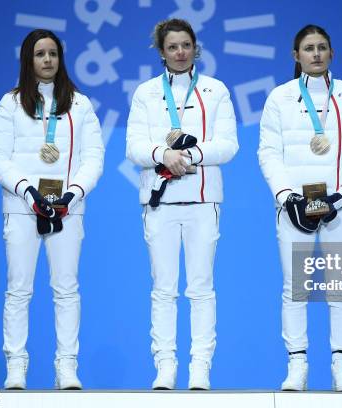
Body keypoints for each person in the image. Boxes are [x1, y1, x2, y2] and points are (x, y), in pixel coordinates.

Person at [258, 24, 342, 391]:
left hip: (340, 207)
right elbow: (268, 153)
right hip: (296, 209)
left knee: (340, 287)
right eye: (308, 48)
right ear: (296, 56)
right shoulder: (279, 97)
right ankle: (297, 366)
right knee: (296, 289)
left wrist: (341, 196)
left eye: (322, 47)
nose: (316, 54)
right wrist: (287, 197)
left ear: (332, 53)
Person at [0, 29, 104, 390]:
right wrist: (27, 191)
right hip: (22, 209)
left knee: (66, 289)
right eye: (40, 54)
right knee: (18, 289)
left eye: (53, 53)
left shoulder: (80, 105)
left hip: (67, 210)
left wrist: (72, 194)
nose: (48, 60)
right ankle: (16, 366)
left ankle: (66, 367)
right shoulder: (10, 103)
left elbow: (94, 157)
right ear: (28, 59)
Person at [126, 18, 238, 390]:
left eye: (186, 45)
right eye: (172, 47)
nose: (180, 52)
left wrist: (189, 154)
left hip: (204, 200)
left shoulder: (215, 90)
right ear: (161, 51)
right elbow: (134, 147)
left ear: (195, 48)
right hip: (159, 200)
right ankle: (165, 366)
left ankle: (200, 367)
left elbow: (228, 144)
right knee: (163, 288)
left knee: (202, 287)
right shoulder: (145, 93)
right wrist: (163, 154)